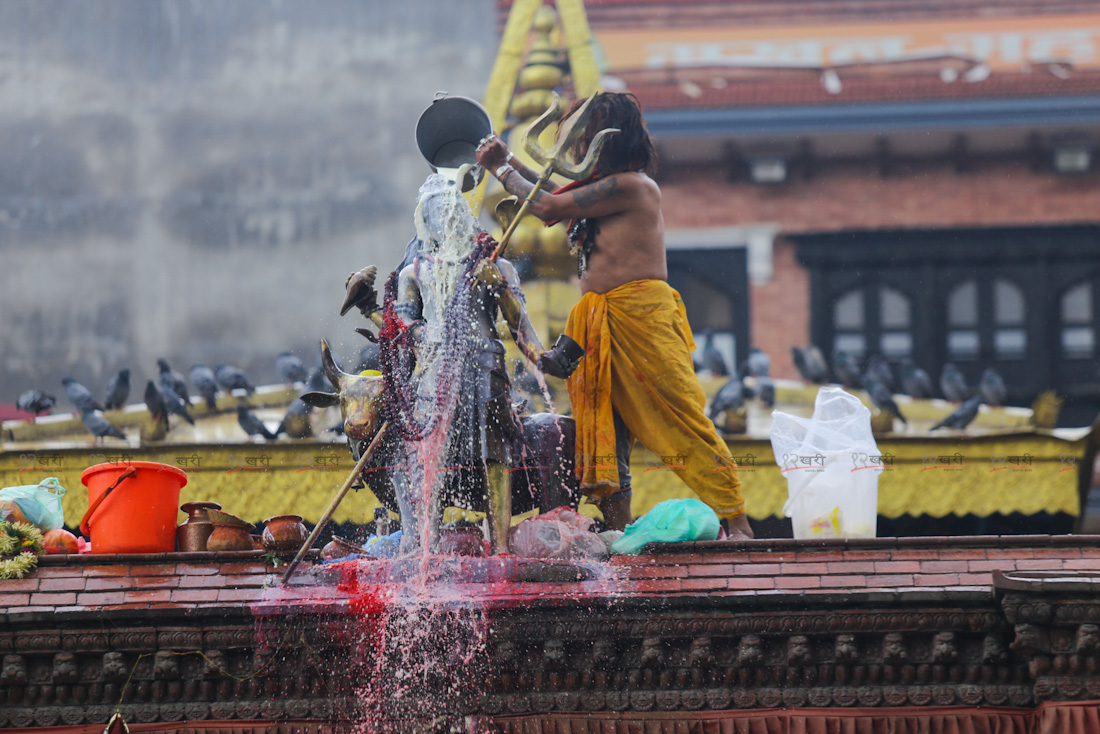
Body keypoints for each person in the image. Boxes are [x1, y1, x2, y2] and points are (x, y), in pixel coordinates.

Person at [476, 92, 753, 539]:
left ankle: (738, 524)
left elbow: (547, 208)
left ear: (608, 141)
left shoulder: (633, 186)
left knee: (680, 418)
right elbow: (554, 192)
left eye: (582, 138)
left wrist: (500, 169)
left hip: (642, 317)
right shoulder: (601, 190)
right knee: (606, 430)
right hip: (598, 324)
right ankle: (618, 530)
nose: (576, 149)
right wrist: (509, 160)